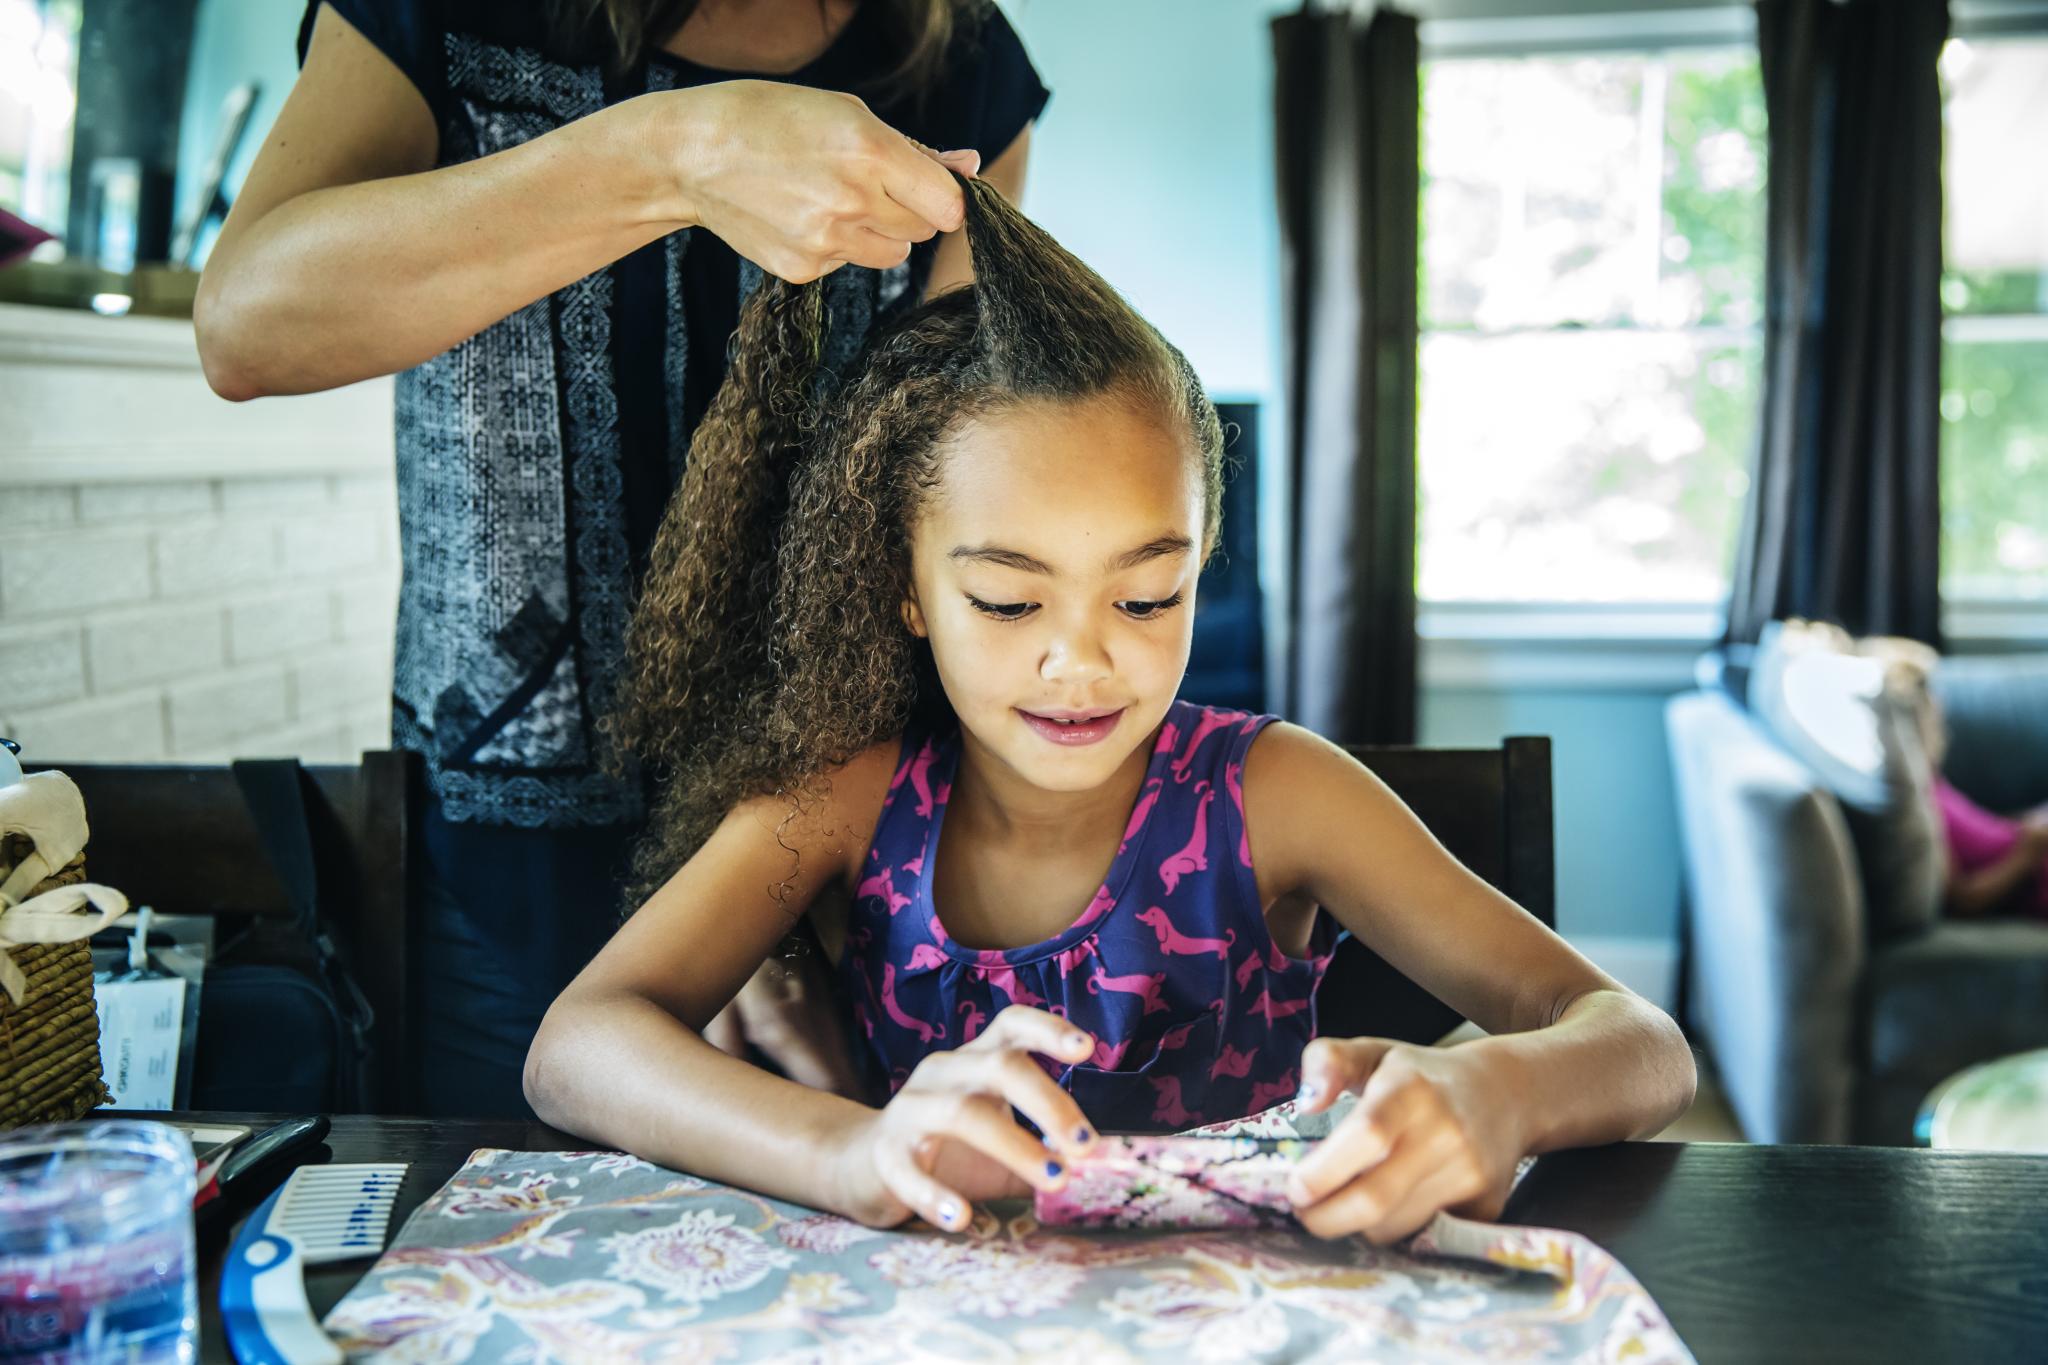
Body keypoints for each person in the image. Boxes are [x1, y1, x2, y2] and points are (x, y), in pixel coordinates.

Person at [523, 178, 1697, 1243]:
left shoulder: (1275, 794)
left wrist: (1496, 1088)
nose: (1080, 661)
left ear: (1203, 560)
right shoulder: (846, 793)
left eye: (1146, 594)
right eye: (1004, 599)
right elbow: (577, 1047)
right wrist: (851, 1151)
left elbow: (1640, 1044)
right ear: (905, 589)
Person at [193, 0, 1048, 1115]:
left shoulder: (963, 67)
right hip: (500, 881)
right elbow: (246, 325)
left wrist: (769, 884)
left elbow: (942, 499)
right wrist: (674, 155)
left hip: (828, 871)